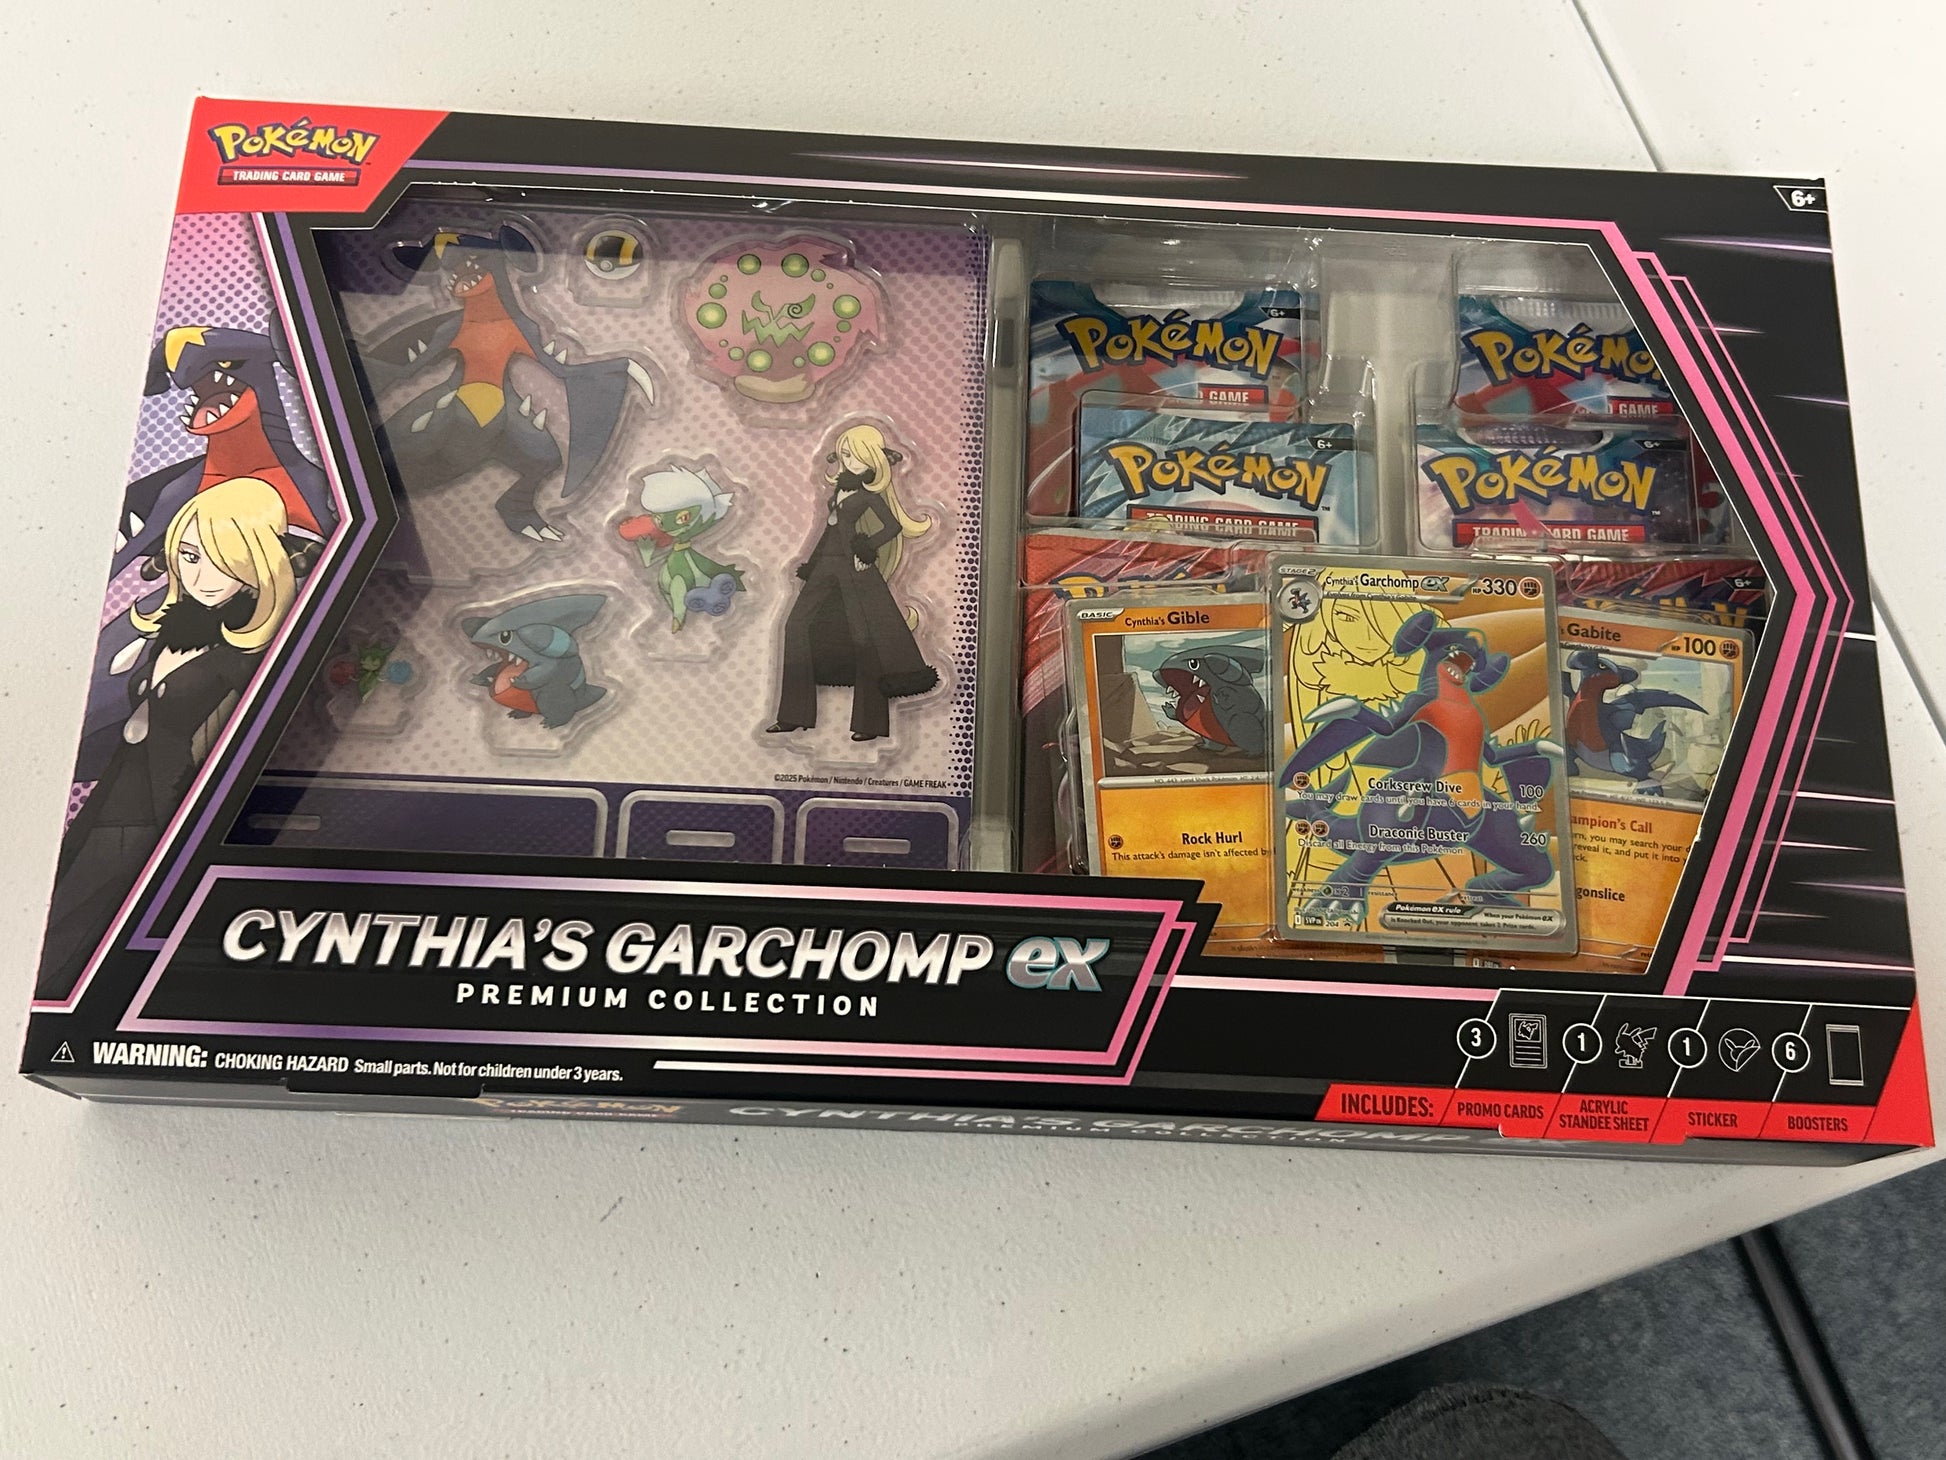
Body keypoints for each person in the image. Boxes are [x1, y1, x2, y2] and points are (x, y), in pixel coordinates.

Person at [36, 476, 296, 999]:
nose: (202, 575)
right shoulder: (177, 626)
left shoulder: (247, 660)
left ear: (256, 567)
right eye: (191, 556)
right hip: (115, 793)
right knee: (58, 907)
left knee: (77, 929)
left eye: (224, 562)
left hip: (160, 807)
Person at [767, 424, 936, 742]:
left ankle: (870, 723)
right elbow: (829, 530)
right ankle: (793, 714)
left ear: (872, 460)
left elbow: (892, 527)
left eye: (856, 456)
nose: (849, 461)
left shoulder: (869, 496)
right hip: (826, 565)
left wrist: (866, 548)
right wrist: (811, 565)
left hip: (854, 568)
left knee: (864, 638)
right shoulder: (838, 492)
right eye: (845, 454)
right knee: (796, 625)